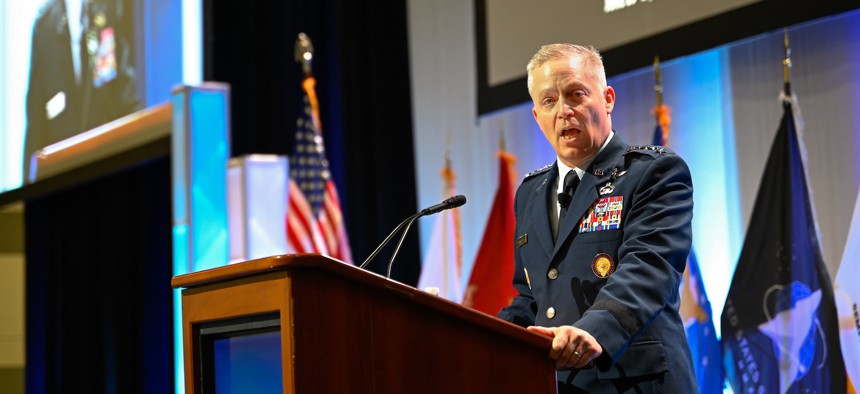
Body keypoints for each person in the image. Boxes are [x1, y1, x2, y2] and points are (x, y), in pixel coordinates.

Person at [497, 43, 697, 393]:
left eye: (575, 94)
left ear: (607, 99)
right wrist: (481, 336)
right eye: (549, 101)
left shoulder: (655, 172)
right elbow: (532, 298)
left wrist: (594, 330)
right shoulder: (529, 192)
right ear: (536, 116)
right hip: (562, 385)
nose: (564, 111)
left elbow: (648, 269)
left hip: (636, 381)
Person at [24, 0, 140, 181]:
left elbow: (125, 97)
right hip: (61, 177)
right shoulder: (44, 26)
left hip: (107, 168)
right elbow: (36, 120)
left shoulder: (106, 13)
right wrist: (28, 188)